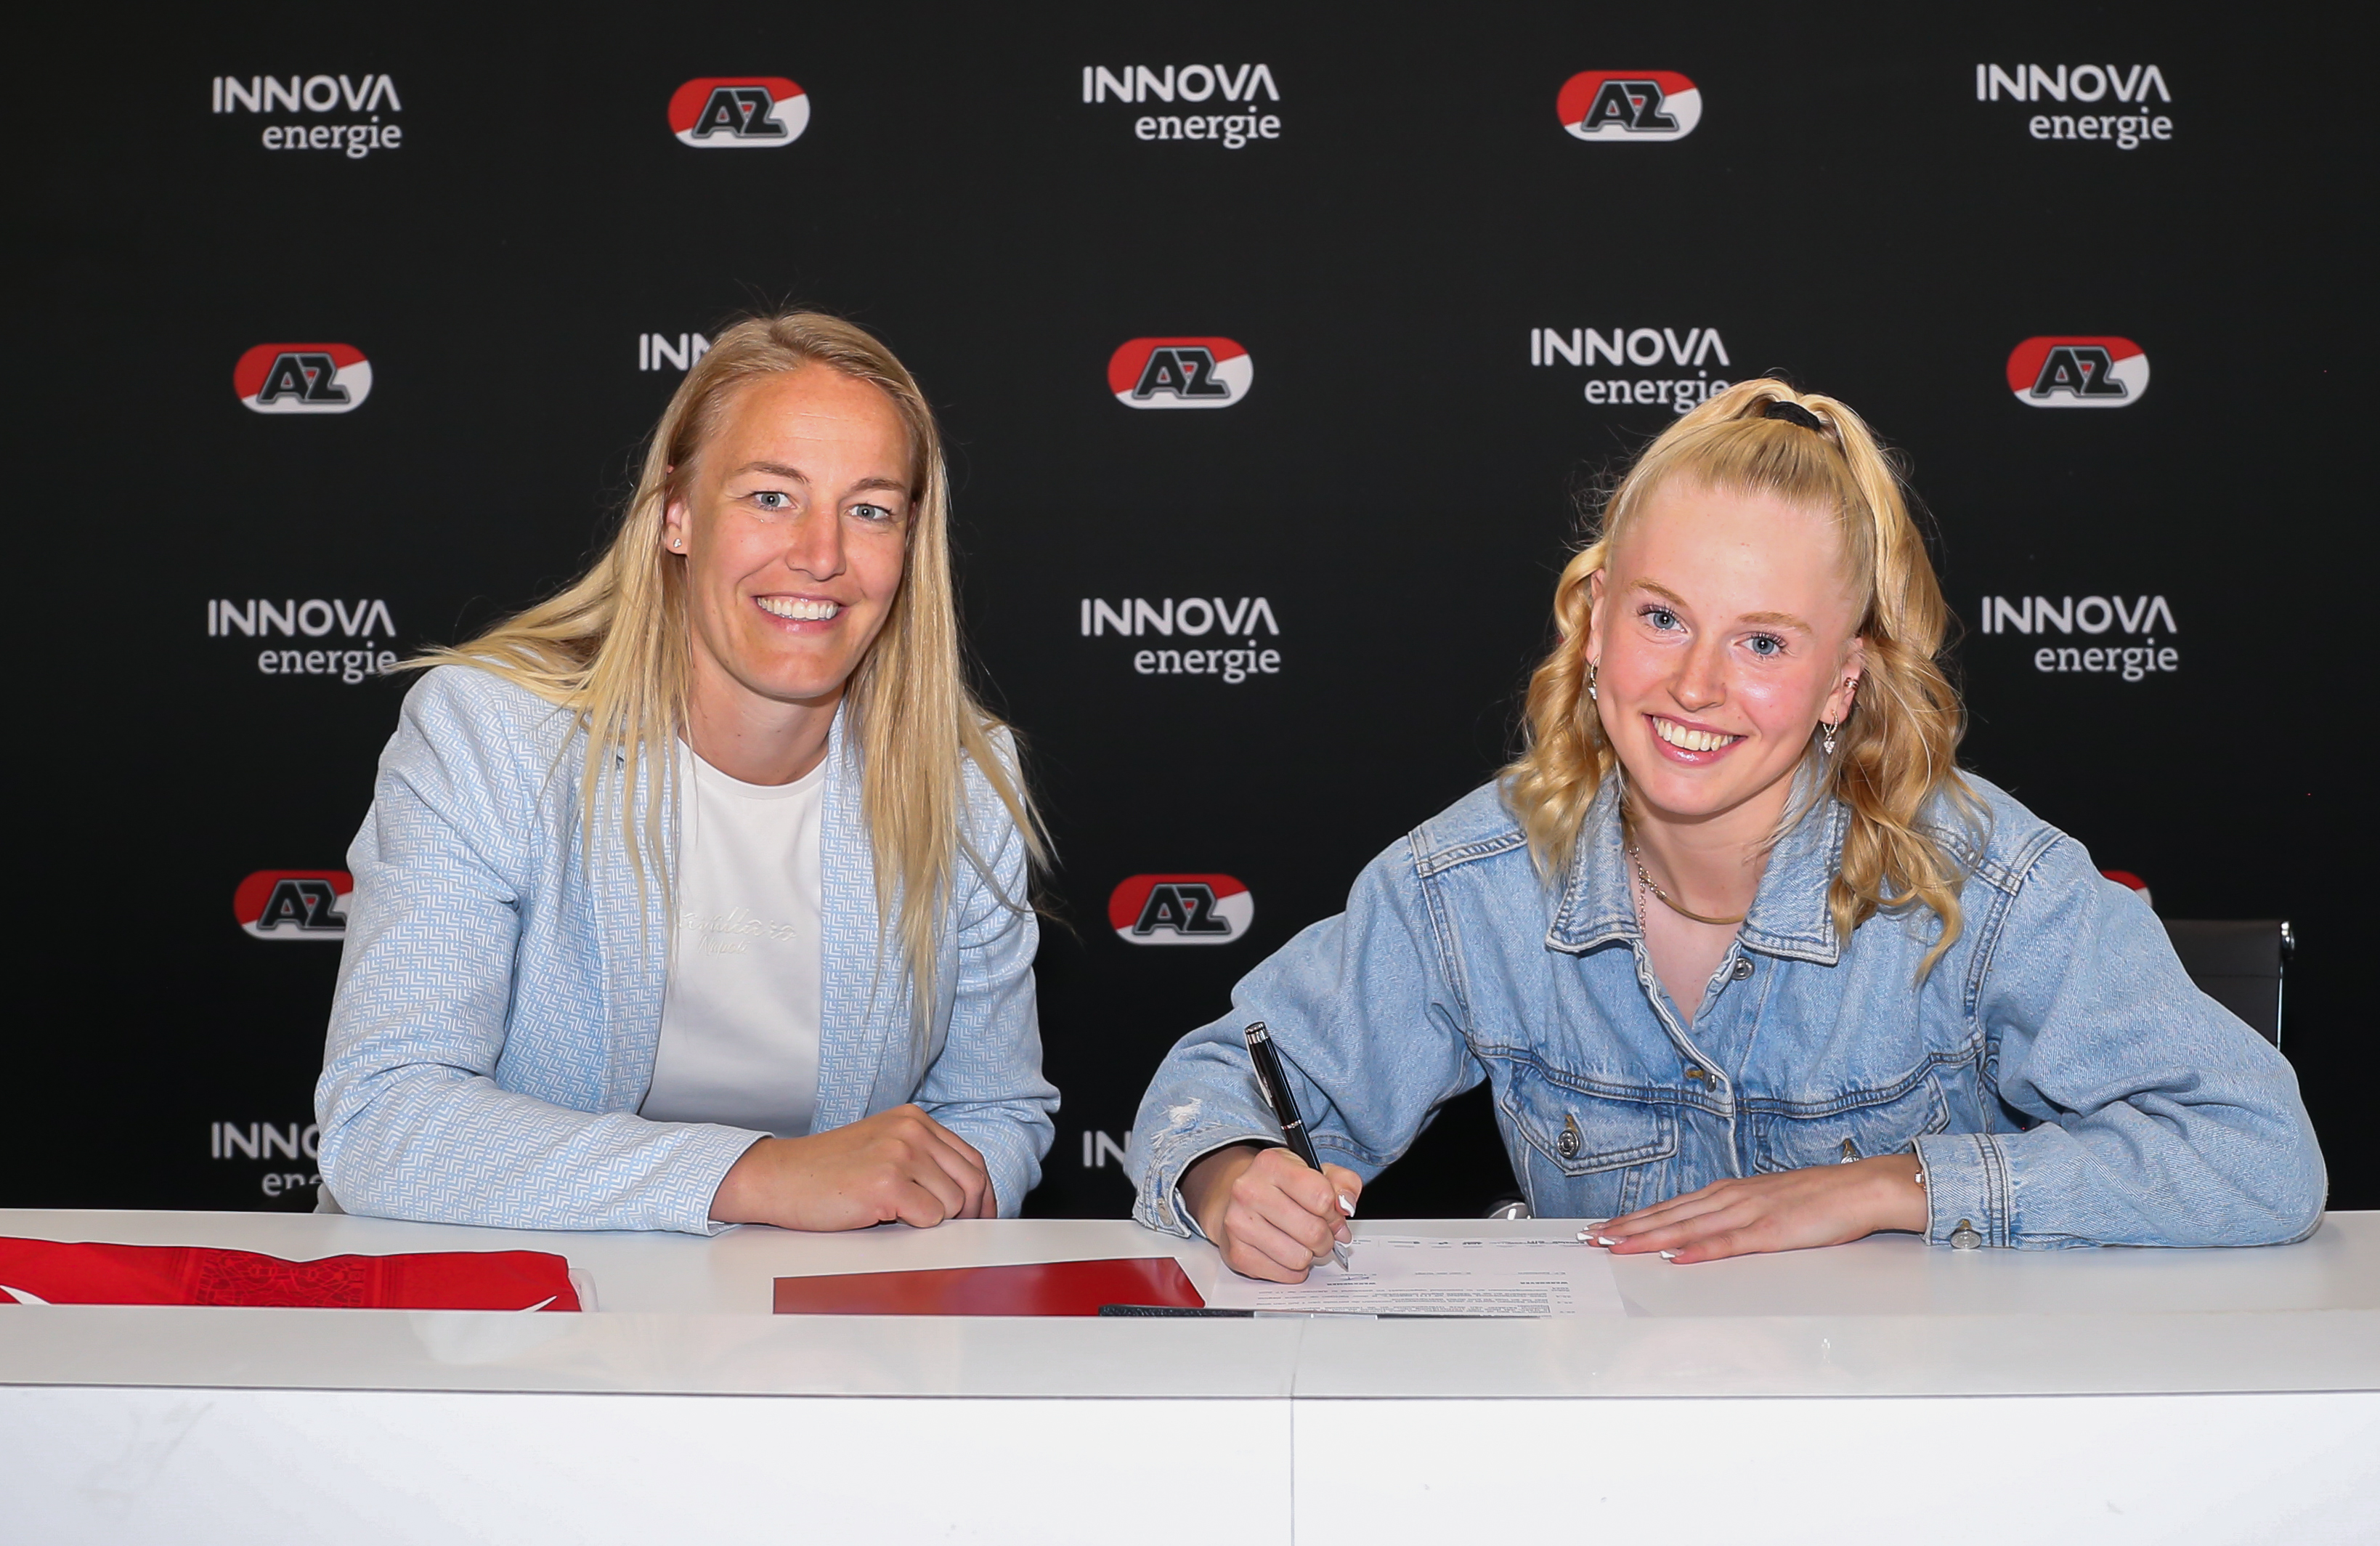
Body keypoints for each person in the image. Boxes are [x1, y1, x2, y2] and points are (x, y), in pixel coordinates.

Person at [1128, 379, 2323, 1280]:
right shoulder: (1472, 881)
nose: (1694, 684)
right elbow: (1211, 1086)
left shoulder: (1985, 886)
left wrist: (1887, 1186)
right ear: (1596, 622)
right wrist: (1234, 1181)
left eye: (1761, 642)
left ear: (1843, 681)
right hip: (1606, 1461)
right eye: (1661, 617)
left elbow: (2259, 1153)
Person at [317, 312, 1055, 1234]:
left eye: (869, 509)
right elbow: (384, 1119)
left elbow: (994, 1112)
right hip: (509, 1307)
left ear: (908, 546)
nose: (821, 555)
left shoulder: (963, 781)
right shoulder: (490, 733)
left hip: (823, 1309)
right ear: (677, 515)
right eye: (771, 497)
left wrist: (919, 1210)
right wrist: (758, 1176)